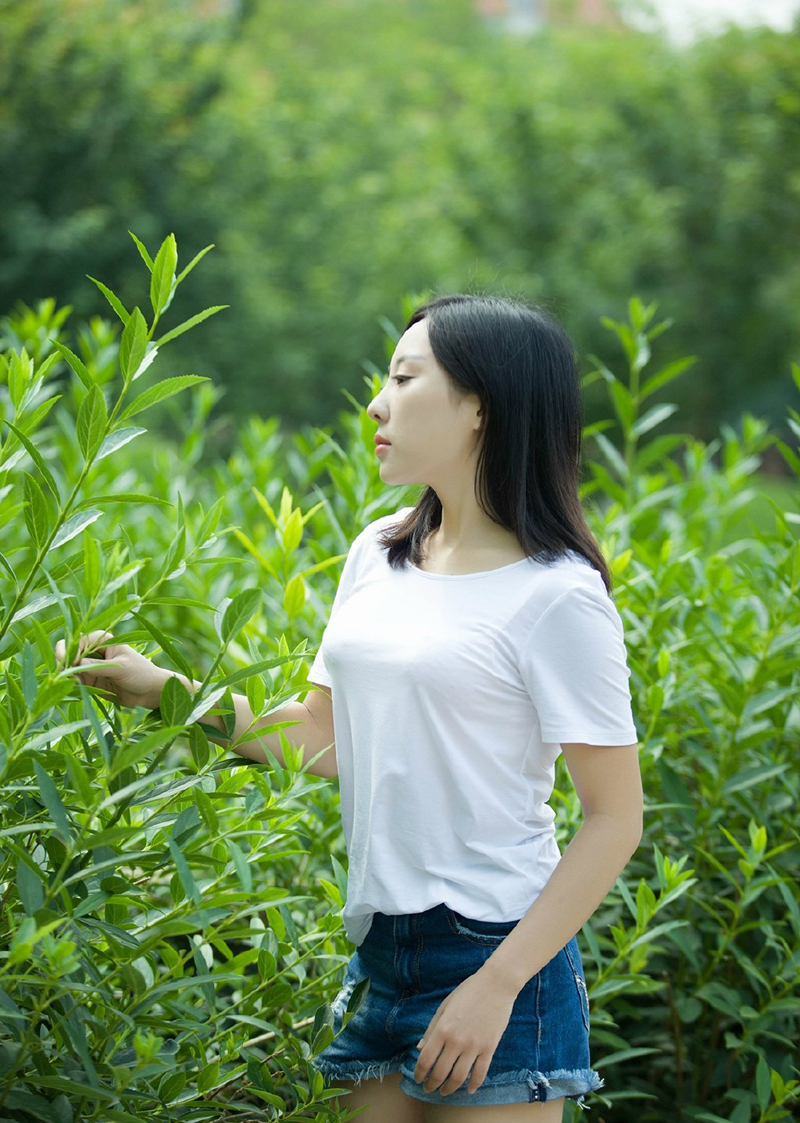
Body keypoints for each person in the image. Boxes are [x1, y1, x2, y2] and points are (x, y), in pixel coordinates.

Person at [56, 293, 643, 1123]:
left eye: (405, 378)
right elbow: (324, 736)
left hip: (499, 951)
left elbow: (614, 818)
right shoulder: (378, 551)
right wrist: (160, 689)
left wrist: (499, 984)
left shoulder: (558, 596)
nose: (377, 402)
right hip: (380, 947)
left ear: (480, 405)